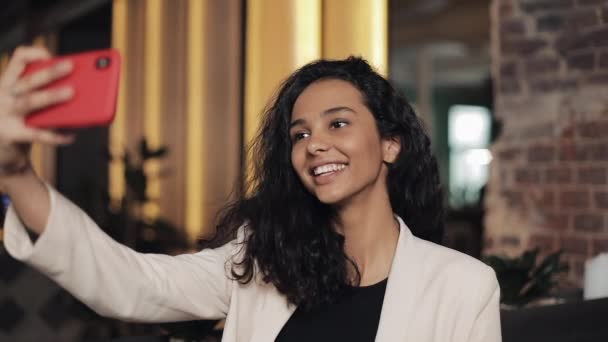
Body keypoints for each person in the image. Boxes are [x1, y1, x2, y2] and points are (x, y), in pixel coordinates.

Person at [0, 46, 501, 342]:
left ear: (391, 143)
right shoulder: (262, 262)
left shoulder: (463, 287)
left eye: (338, 123)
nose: (314, 144)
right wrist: (17, 172)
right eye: (299, 134)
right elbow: (127, 282)